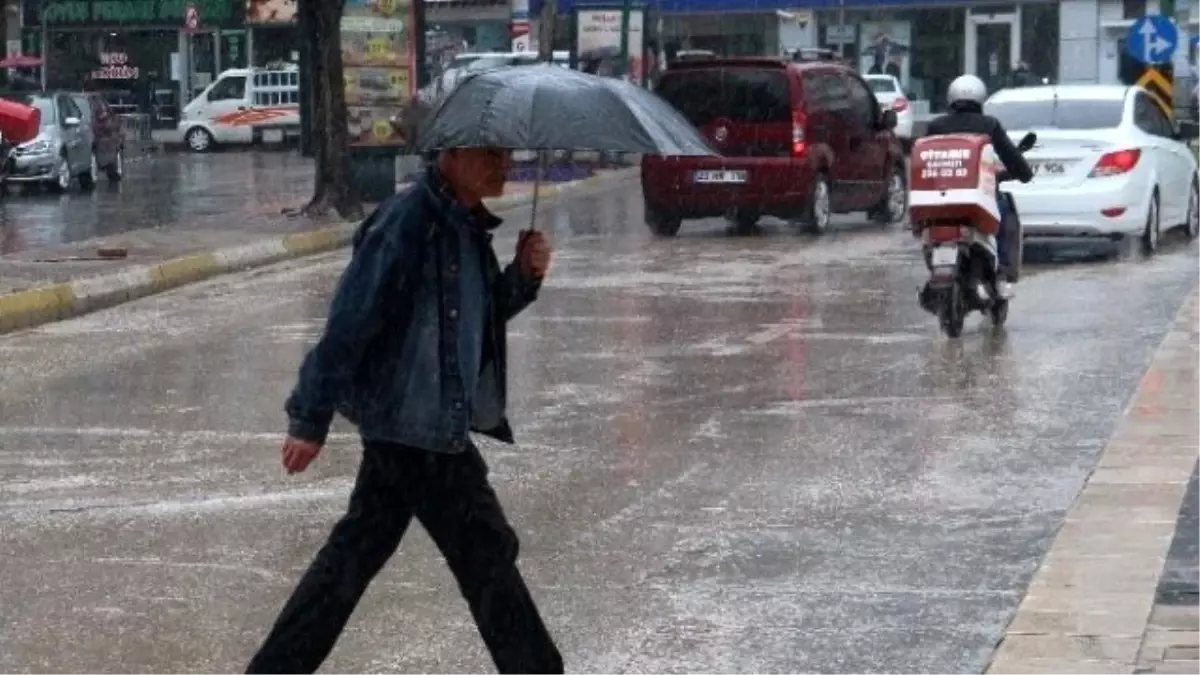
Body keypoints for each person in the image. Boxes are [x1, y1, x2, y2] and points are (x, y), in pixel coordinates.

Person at [245, 147, 564, 675]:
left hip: (422, 427)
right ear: (454, 154)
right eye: (491, 153)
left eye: (508, 152)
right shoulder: (409, 222)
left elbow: (475, 322)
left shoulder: (466, 226)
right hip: (418, 433)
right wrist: (310, 415)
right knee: (487, 558)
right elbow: (350, 322)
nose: (503, 164)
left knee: (348, 564)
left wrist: (523, 279)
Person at [925, 74, 1033, 299]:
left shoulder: (935, 126)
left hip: (940, 198)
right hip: (979, 197)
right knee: (1005, 215)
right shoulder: (989, 125)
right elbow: (1011, 157)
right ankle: (1003, 274)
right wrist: (1023, 173)